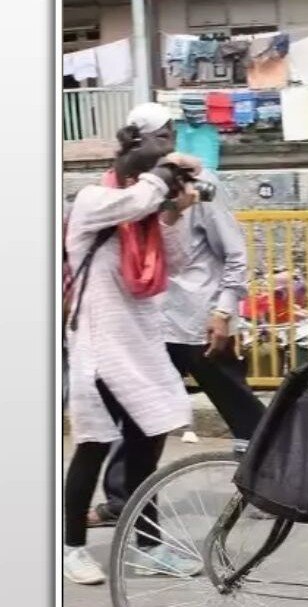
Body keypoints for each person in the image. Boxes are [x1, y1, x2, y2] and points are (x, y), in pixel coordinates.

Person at [87, 103, 267, 528]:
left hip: (199, 318)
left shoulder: (200, 183)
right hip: (148, 320)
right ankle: (122, 501)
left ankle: (273, 484)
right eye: (155, 137)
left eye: (168, 136)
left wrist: (224, 311)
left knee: (239, 406)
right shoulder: (125, 189)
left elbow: (234, 253)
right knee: (137, 412)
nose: (164, 145)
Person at [63, 130, 205, 584]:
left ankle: (147, 546)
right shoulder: (93, 201)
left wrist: (174, 216)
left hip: (141, 348)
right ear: (132, 174)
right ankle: (70, 547)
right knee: (93, 447)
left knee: (147, 447)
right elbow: (135, 199)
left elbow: (179, 263)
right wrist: (163, 176)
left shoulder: (145, 217)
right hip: (100, 348)